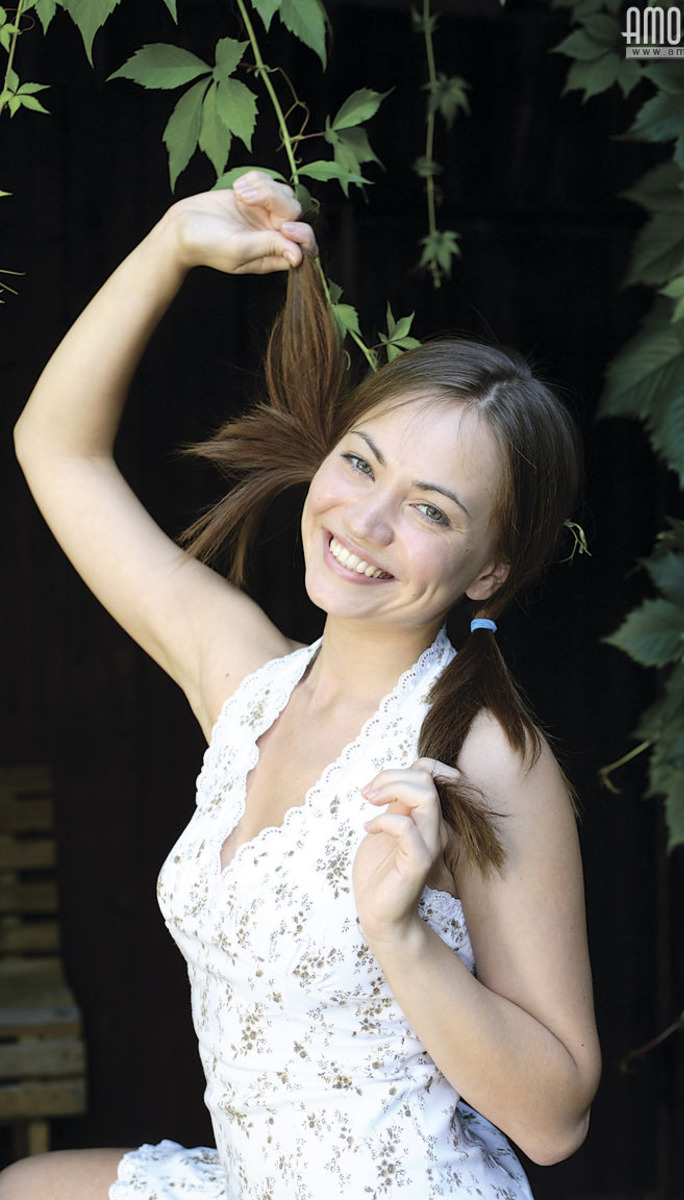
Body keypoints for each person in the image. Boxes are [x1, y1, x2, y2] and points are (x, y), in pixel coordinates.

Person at [3, 172, 601, 1200]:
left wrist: (401, 935)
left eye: (430, 511)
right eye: (361, 464)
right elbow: (53, 449)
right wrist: (168, 244)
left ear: (490, 569)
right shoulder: (245, 684)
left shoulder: (480, 751)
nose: (365, 521)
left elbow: (553, 1121)